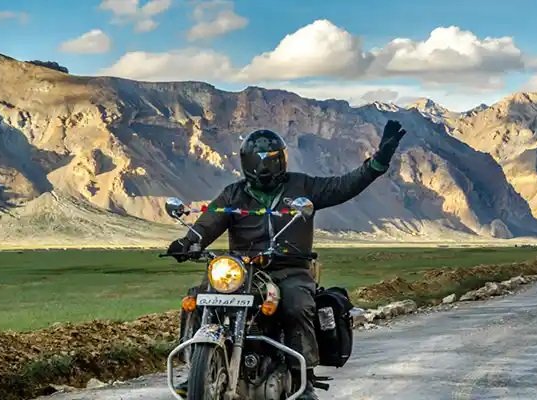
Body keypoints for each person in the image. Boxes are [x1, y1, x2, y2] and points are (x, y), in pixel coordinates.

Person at [167, 120, 407, 399]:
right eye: (255, 161)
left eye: (269, 161)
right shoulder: (234, 193)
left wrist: (379, 161)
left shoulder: (302, 186)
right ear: (245, 162)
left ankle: (302, 379)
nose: (262, 168)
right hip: (243, 271)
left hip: (289, 268)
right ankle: (195, 367)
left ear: (281, 159)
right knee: (197, 298)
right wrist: (188, 242)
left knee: (296, 305)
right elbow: (210, 221)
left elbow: (345, 186)